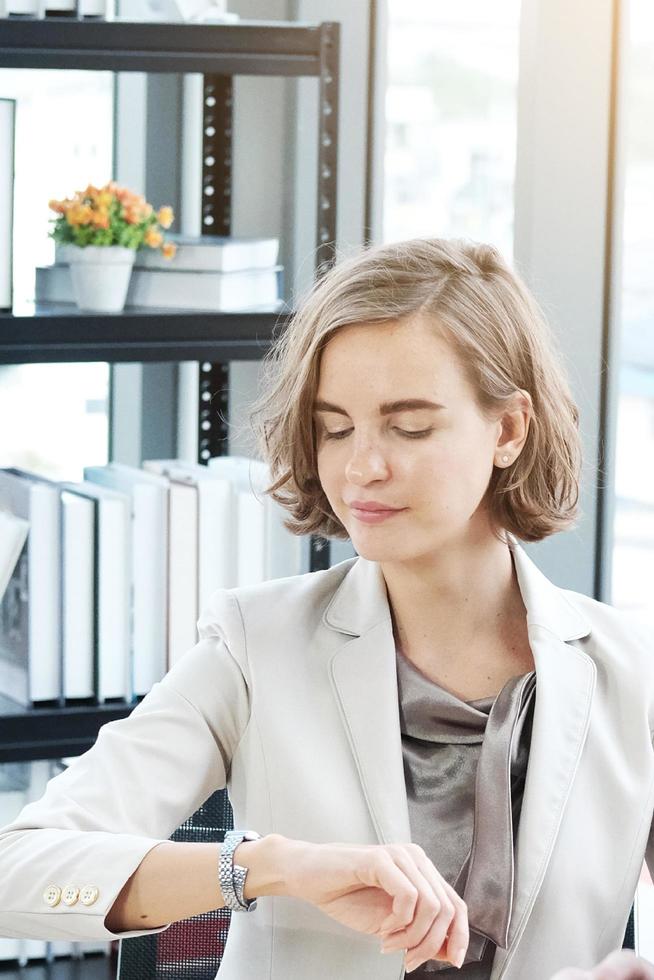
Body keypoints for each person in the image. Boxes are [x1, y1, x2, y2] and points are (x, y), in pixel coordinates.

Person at [0, 237, 652, 980]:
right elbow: (16, 868)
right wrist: (267, 866)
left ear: (508, 429)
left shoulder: (633, 674)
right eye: (333, 427)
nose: (361, 467)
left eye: (410, 427)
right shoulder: (255, 646)